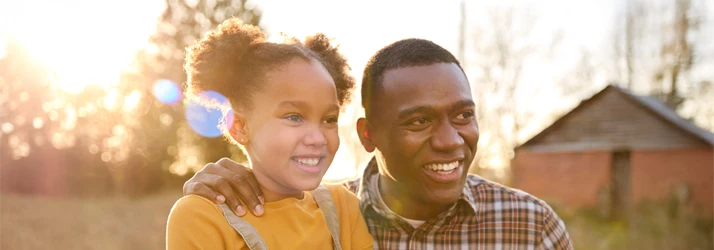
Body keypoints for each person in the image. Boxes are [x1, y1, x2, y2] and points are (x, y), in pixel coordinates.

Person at [183, 38, 574, 249]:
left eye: (463, 116)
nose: (450, 140)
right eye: (418, 121)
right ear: (367, 135)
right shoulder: (339, 213)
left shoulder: (531, 227)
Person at [166, 18, 374, 250]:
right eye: (294, 117)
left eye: (329, 119)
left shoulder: (344, 208)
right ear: (239, 127)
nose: (317, 138)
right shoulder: (202, 218)